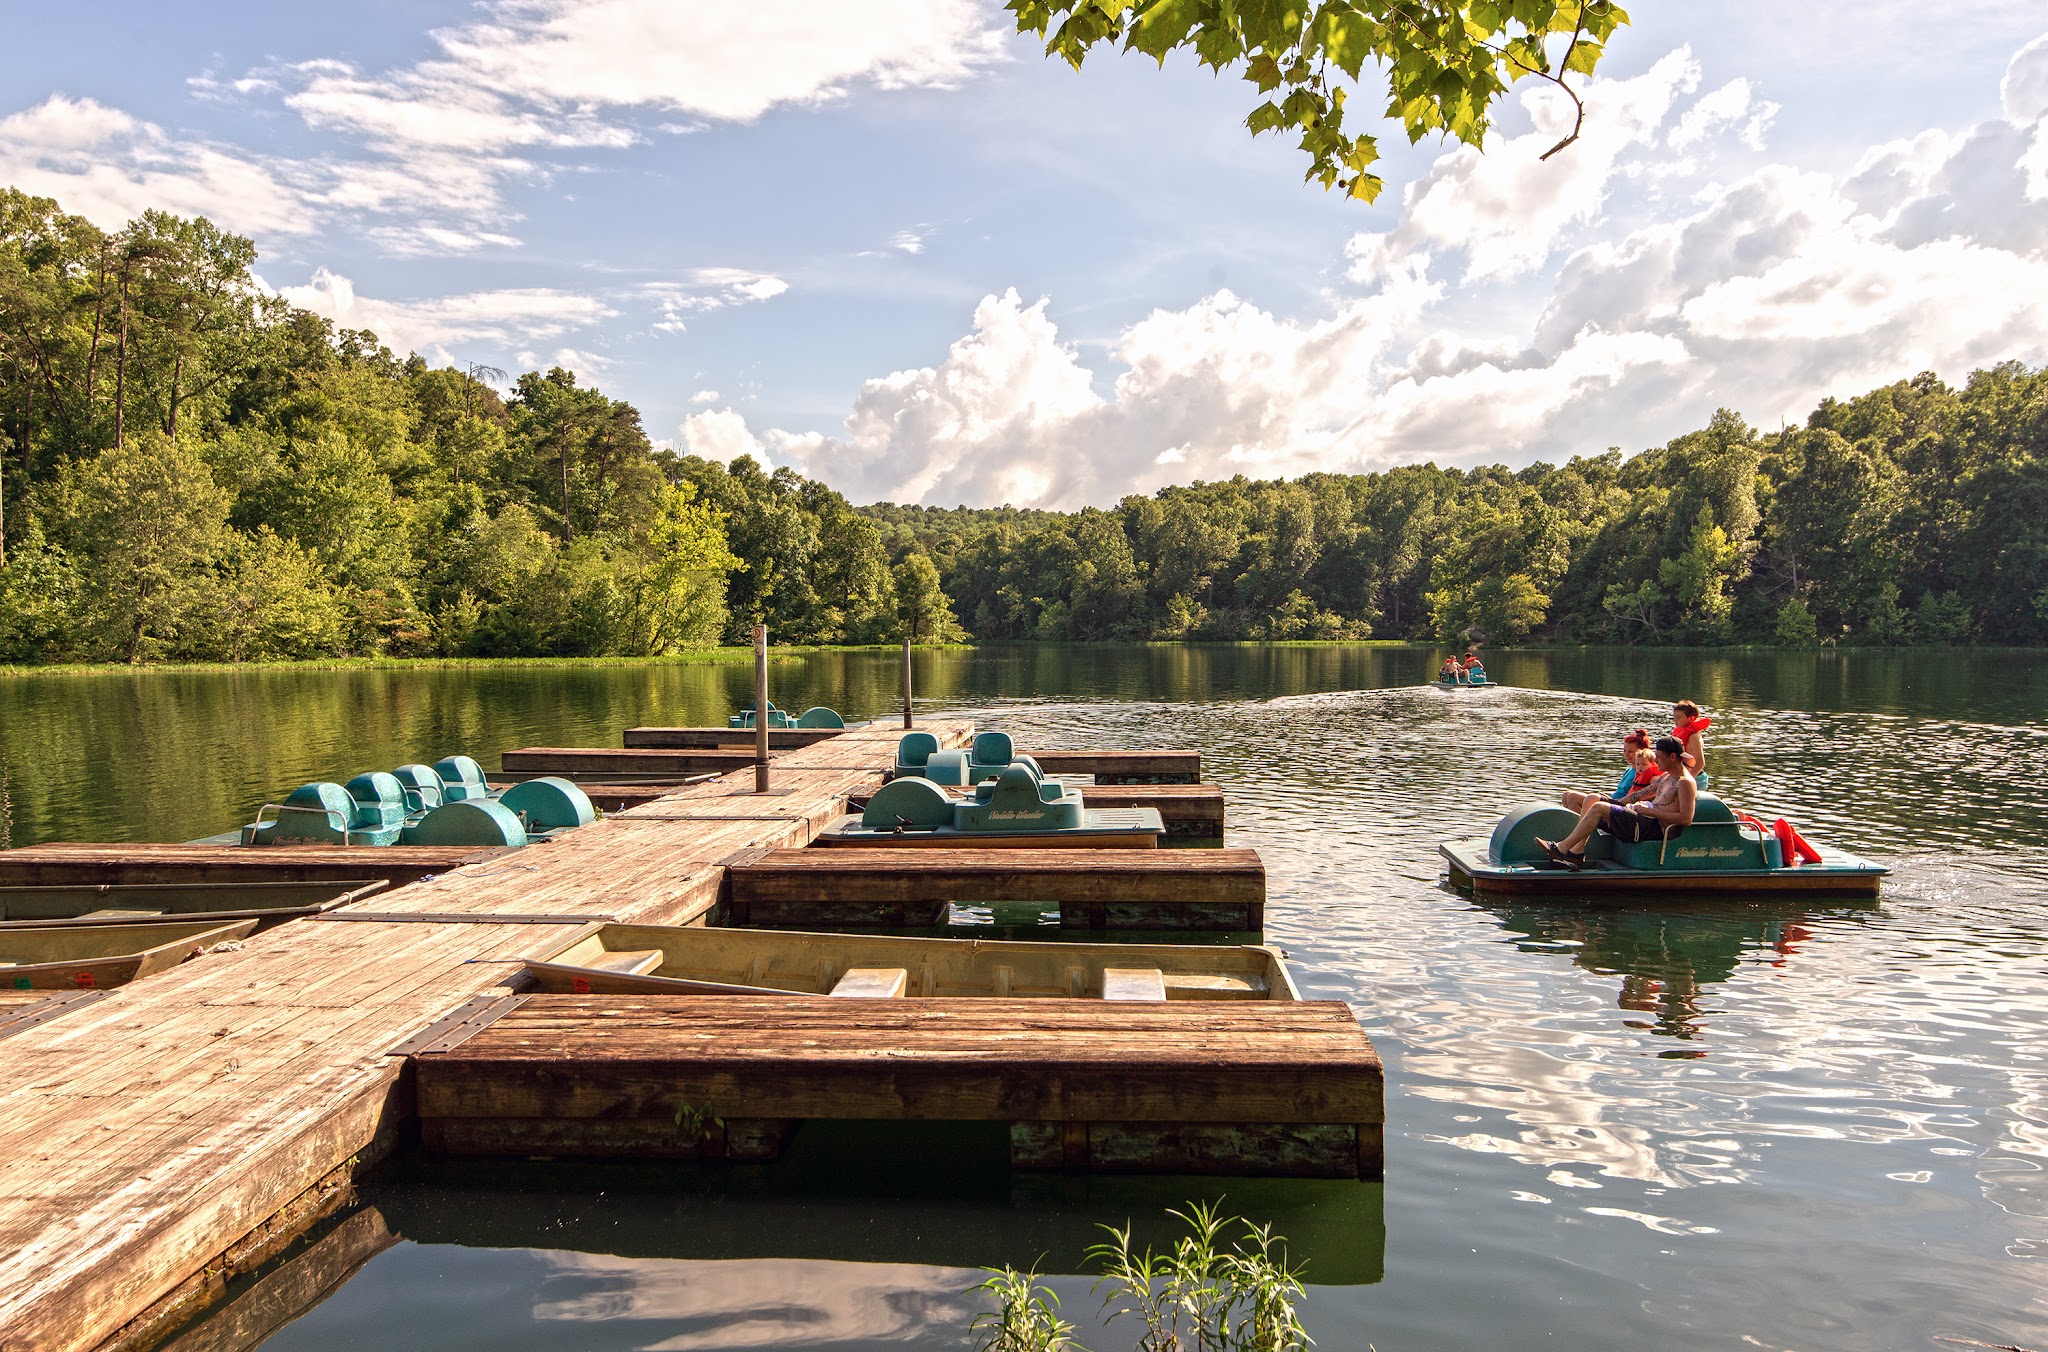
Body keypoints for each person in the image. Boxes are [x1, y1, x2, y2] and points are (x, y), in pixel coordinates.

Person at [1537, 736, 1696, 871]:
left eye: (1659, 757)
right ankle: (1577, 851)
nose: (1656, 761)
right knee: (1593, 798)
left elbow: (1686, 818)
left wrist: (1651, 812)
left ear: (1673, 757)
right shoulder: (1666, 777)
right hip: (1644, 817)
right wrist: (1617, 804)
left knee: (1599, 808)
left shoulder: (1685, 783)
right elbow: (1641, 793)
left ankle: (1561, 848)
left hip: (1654, 827)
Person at [1562, 729, 1654, 813]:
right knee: (1566, 795)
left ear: (1641, 752)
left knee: (1573, 797)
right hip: (1613, 799)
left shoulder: (1642, 772)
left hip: (1620, 805)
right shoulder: (1629, 770)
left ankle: (1582, 827)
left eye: (1630, 752)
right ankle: (1578, 824)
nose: (1626, 755)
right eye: (1624, 751)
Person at [1671, 699, 1710, 777]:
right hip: (1682, 775)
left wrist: (1688, 780)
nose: (1675, 720)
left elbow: (1700, 763)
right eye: (1674, 717)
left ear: (1691, 719)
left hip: (1695, 777)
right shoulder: (1680, 732)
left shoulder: (1694, 736)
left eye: (1679, 717)